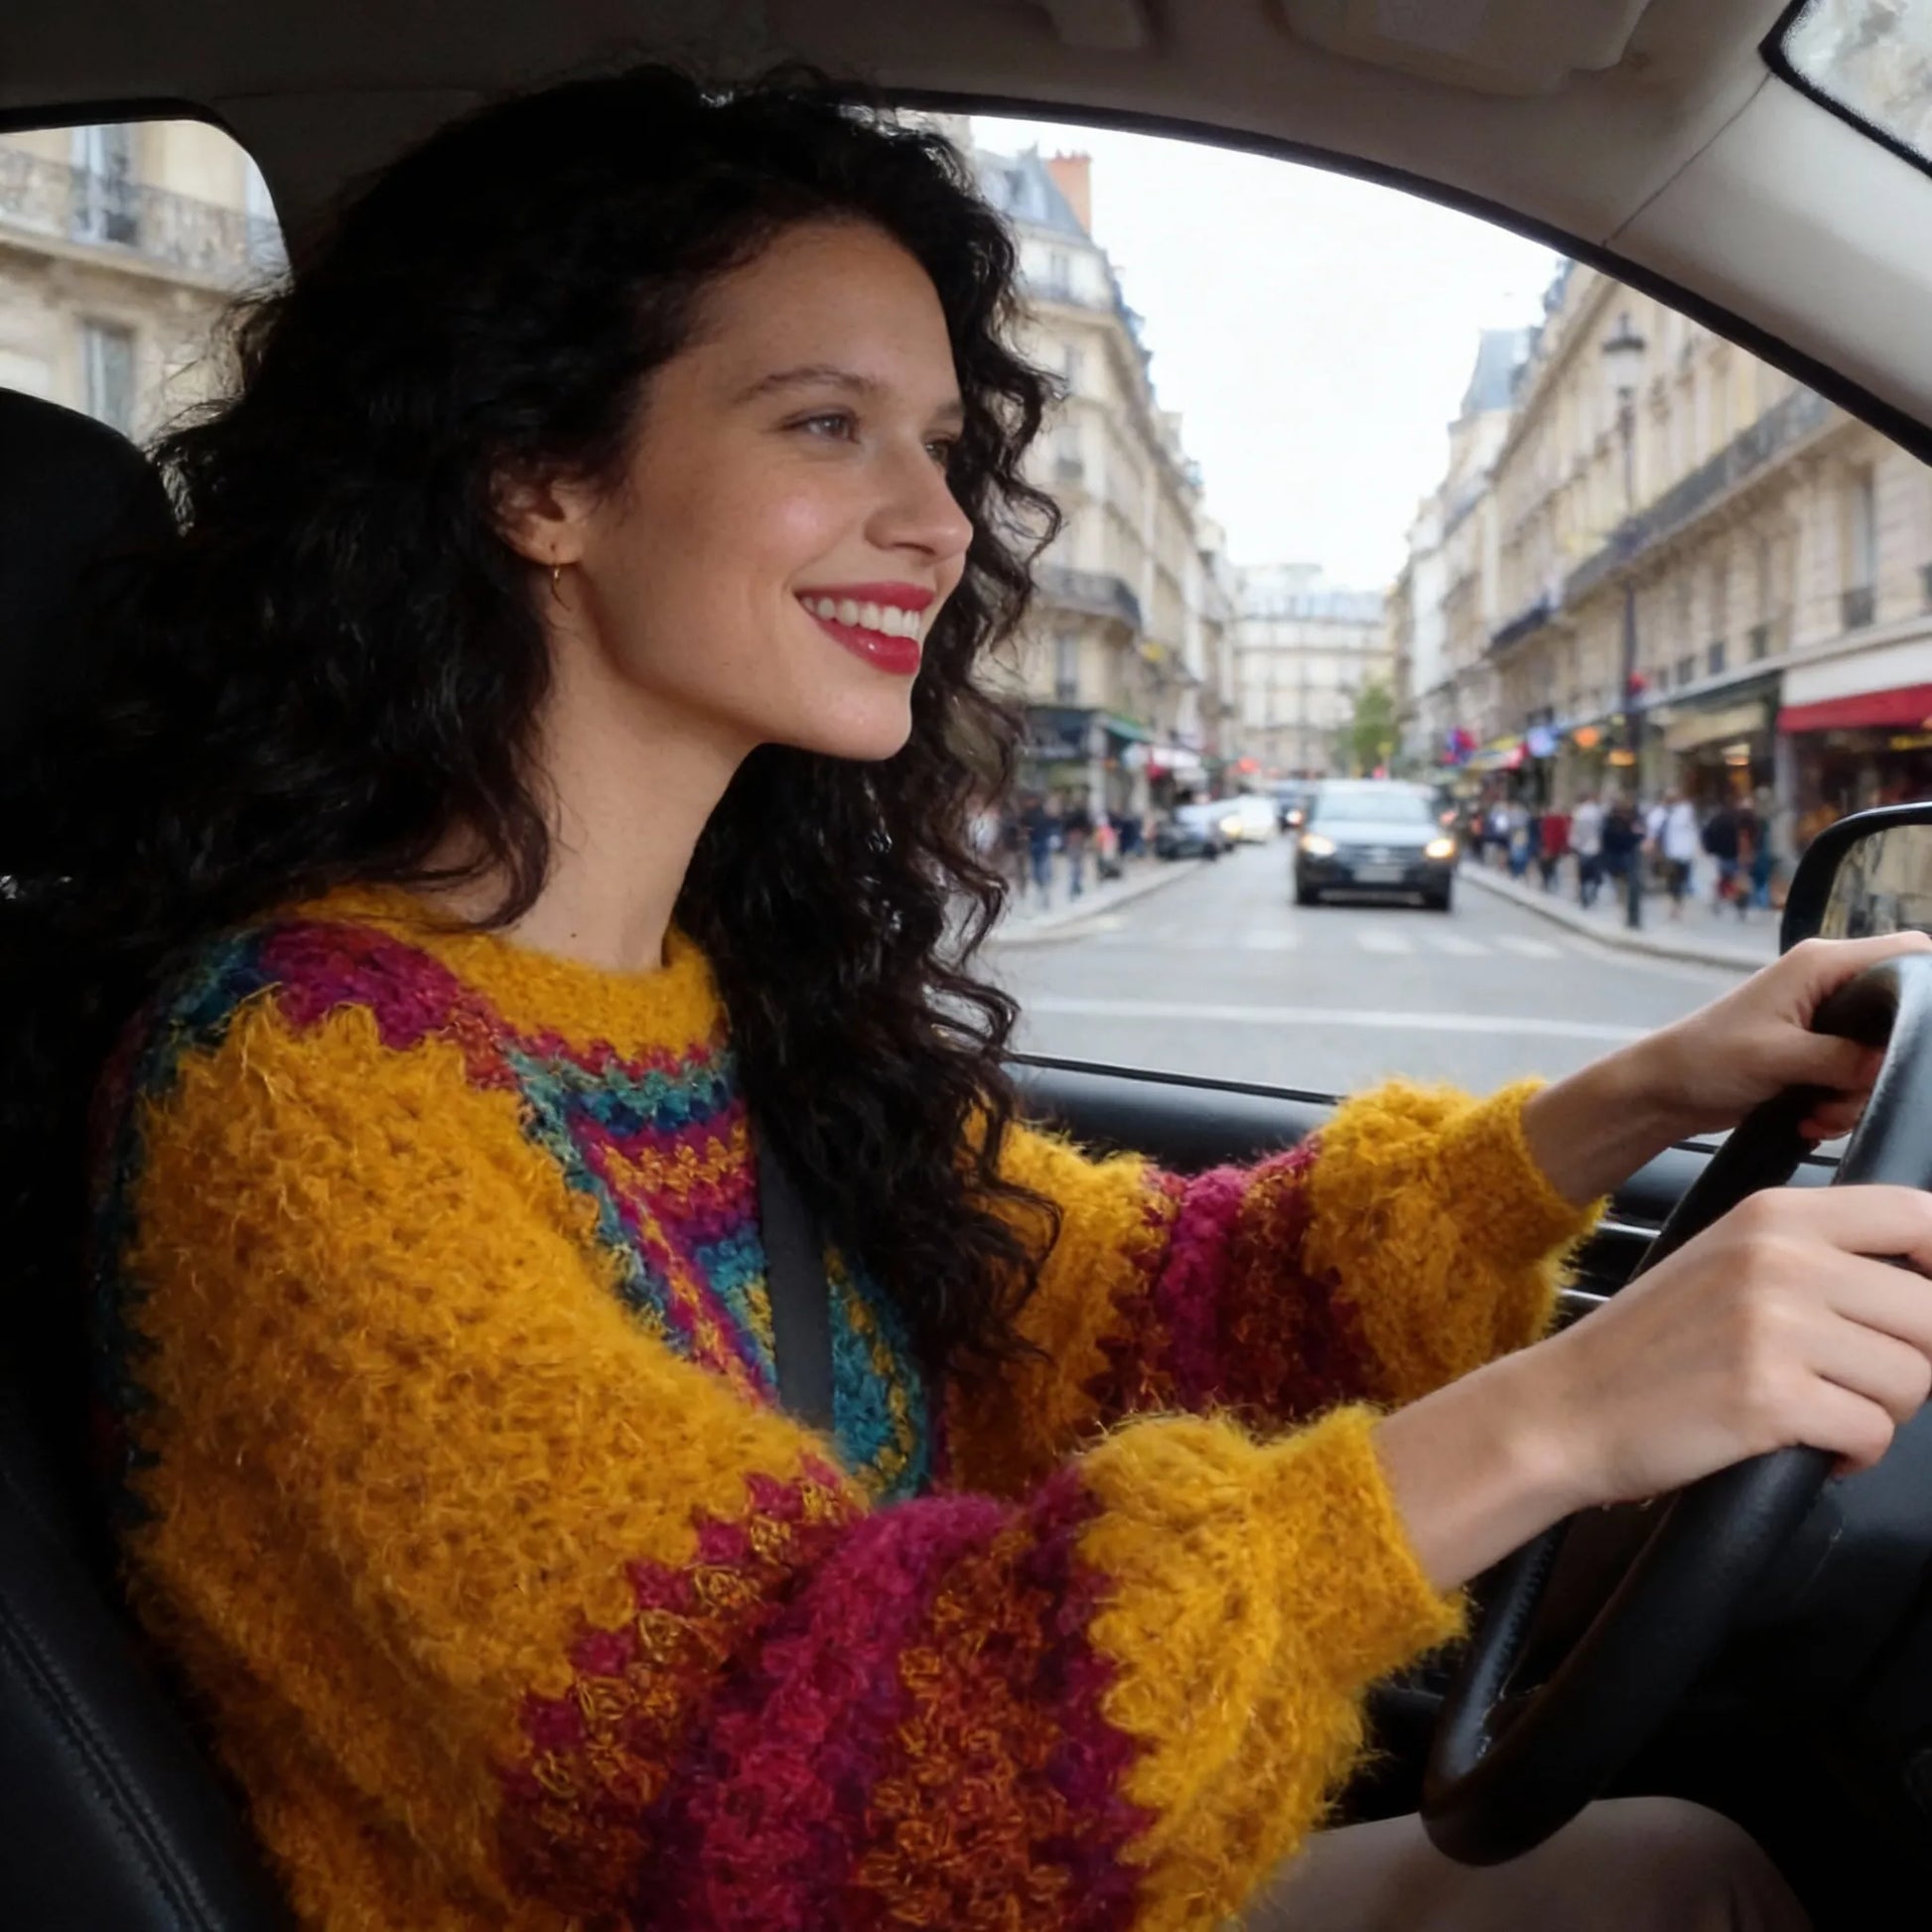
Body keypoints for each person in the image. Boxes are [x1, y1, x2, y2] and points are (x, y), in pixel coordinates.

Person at [13, 63, 1914, 1931]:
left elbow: (1151, 1307)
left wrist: (1636, 1097)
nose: (939, 521)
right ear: (536, 477)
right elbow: (825, 1799)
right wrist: (1559, 1422)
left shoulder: (717, 1014)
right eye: (825, 424)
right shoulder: (303, 1093)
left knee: (1684, 1868)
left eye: (940, 444)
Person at [1659, 789, 1702, 921]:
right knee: (1673, 881)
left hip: (1682, 853)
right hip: (1672, 853)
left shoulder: (1684, 811)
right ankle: (1675, 906)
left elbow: (1692, 831)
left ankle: (1677, 906)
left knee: (1679, 880)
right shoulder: (1665, 813)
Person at [1704, 796, 1745, 920]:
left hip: (1721, 854)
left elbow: (1707, 834)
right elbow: (1741, 838)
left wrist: (1710, 849)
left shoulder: (1716, 820)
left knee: (1723, 879)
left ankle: (1718, 902)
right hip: (1733, 854)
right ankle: (1738, 905)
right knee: (1734, 880)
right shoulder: (1737, 820)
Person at [1572, 791, 1605, 908]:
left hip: (1583, 847)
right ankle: (1592, 894)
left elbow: (1576, 831)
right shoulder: (1597, 812)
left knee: (1583, 873)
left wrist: (1575, 844)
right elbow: (1601, 830)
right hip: (1595, 846)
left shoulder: (1579, 812)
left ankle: (1583, 896)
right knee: (1594, 873)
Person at [1061, 788, 1094, 898]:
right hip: (1077, 839)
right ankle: (1076, 884)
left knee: (1075, 863)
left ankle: (1075, 884)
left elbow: (1065, 826)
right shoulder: (1080, 813)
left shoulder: (1072, 813)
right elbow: (1088, 827)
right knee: (1077, 863)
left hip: (1075, 839)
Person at [1537, 804, 1570, 892]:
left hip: (1554, 848)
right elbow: (1544, 833)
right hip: (1549, 847)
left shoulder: (1559, 821)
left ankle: (1548, 883)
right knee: (1546, 866)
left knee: (1550, 866)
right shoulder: (1550, 820)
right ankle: (1547, 882)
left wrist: (1564, 847)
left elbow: (1563, 835)